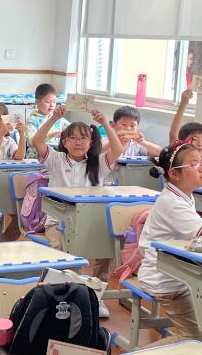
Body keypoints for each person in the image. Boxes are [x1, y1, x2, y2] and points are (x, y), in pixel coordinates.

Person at [31, 105, 123, 317]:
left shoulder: (98, 163)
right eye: (72, 138)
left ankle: (95, 295)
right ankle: (64, 296)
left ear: (91, 142)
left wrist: (105, 123)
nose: (78, 142)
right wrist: (54, 118)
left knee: (106, 250)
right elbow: (37, 141)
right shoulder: (56, 159)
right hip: (58, 222)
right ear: (64, 142)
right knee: (60, 249)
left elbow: (117, 149)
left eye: (83, 138)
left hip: (89, 223)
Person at [139, 140, 202, 346]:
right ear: (174, 174)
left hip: (181, 273)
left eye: (201, 161)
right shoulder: (172, 202)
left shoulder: (183, 195)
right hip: (166, 280)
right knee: (195, 340)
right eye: (194, 164)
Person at [169, 88, 202, 183]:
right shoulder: (179, 156)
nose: (200, 144)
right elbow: (173, 135)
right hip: (186, 191)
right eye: (194, 139)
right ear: (182, 143)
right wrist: (183, 104)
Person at [25, 83, 69, 158]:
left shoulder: (57, 117)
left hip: (56, 154)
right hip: (37, 155)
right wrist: (50, 136)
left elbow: (71, 128)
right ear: (37, 102)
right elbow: (31, 142)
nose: (52, 105)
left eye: (54, 102)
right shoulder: (32, 121)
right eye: (48, 102)